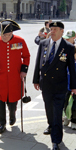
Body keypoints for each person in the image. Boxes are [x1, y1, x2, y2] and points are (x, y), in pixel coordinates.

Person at [33, 22, 76, 150]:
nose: (52, 31)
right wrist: (36, 79)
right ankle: (51, 125)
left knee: (57, 112)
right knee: (49, 109)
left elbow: (72, 69)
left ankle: (56, 140)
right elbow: (38, 62)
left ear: (62, 31)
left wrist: (74, 86)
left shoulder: (68, 47)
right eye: (51, 29)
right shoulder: (43, 44)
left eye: (55, 29)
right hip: (46, 84)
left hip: (59, 85)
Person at [0, 19, 30, 134]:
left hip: (15, 77)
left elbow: (26, 56)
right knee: (0, 100)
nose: (4, 37)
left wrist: (24, 70)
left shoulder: (20, 41)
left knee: (12, 100)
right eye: (2, 34)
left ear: (12, 33)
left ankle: (12, 114)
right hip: (0, 78)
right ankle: (1, 123)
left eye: (7, 35)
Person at [63, 30, 76, 130]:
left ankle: (74, 121)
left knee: (74, 105)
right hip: (65, 84)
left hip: (74, 84)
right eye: (65, 38)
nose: (66, 40)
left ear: (74, 37)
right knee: (64, 103)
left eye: (68, 38)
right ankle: (66, 118)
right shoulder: (64, 50)